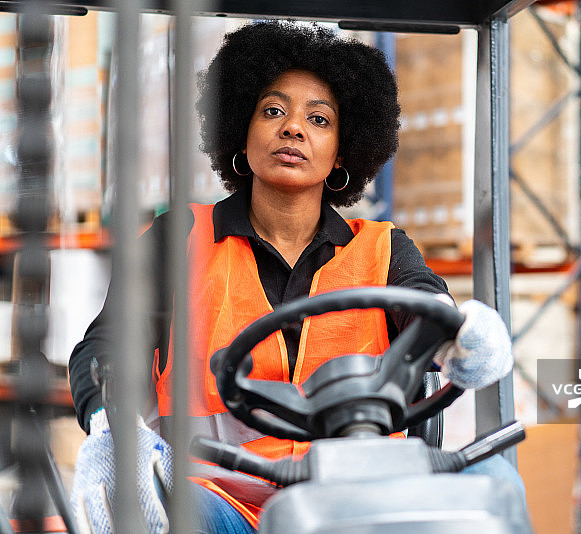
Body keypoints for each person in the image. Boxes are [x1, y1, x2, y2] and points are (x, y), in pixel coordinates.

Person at [68, 20, 523, 534]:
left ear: (341, 154)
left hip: (361, 495)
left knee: (498, 481)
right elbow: (103, 346)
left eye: (320, 119)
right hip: (221, 498)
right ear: (242, 130)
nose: (294, 128)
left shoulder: (381, 247)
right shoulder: (179, 240)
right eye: (273, 111)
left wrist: (463, 338)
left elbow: (430, 311)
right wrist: (111, 426)